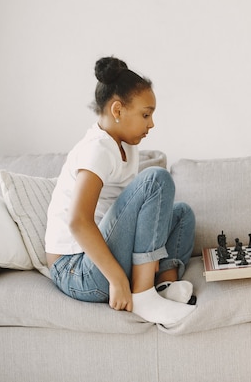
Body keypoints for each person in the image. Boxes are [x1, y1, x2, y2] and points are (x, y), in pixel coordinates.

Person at [45, 56, 196, 326]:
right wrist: (116, 279)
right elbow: (78, 221)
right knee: (155, 180)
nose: (151, 124)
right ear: (117, 110)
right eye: (146, 114)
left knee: (182, 215)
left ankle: (163, 286)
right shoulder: (97, 149)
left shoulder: (126, 145)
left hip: (99, 259)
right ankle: (144, 295)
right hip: (77, 269)